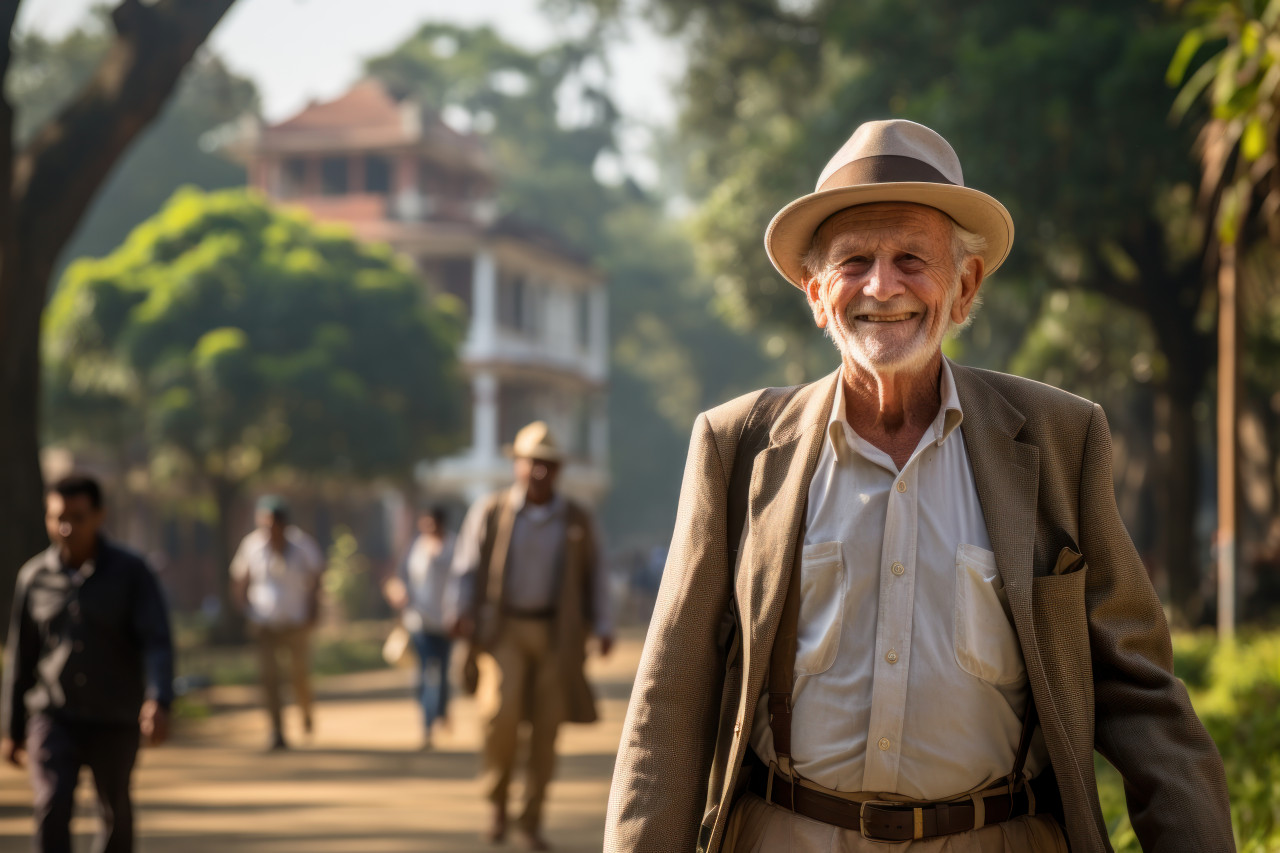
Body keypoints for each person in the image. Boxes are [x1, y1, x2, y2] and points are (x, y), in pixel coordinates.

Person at [604, 120, 1232, 852]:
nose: (882, 286)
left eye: (911, 259)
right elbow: (669, 703)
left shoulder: (1060, 437)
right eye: (854, 261)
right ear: (816, 293)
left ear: (964, 287)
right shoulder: (738, 444)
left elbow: (1142, 694)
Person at [453, 420, 614, 851]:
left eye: (547, 464)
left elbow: (596, 575)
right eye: (531, 463)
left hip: (558, 637)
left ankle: (532, 818)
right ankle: (497, 801)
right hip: (504, 631)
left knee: (546, 730)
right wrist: (461, 611)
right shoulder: (491, 511)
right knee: (499, 716)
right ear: (517, 466)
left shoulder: (576, 519)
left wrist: (603, 625)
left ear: (558, 470)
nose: (539, 472)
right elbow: (467, 569)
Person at [1, 474, 174, 853]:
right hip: (53, 714)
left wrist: (158, 698)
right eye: (56, 517)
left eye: (77, 517)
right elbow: (22, 656)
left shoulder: (131, 573)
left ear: (98, 516)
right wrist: (12, 729)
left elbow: (157, 641)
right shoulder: (33, 578)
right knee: (51, 802)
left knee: (115, 813)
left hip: (114, 716)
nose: (65, 528)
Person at [230, 495, 324, 750]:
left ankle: (305, 712)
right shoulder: (252, 546)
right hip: (264, 623)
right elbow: (240, 578)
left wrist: (314, 610)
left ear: (283, 524)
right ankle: (277, 730)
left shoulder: (302, 545)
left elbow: (317, 579)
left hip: (296, 622)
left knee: (298, 675)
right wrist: (243, 608)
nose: (268, 529)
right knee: (269, 678)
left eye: (272, 524)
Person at [384, 506, 456, 749]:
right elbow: (399, 577)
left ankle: (440, 711)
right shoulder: (414, 549)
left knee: (442, 676)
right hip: (418, 621)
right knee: (425, 675)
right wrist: (398, 592)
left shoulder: (454, 548)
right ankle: (427, 726)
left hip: (447, 622)